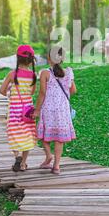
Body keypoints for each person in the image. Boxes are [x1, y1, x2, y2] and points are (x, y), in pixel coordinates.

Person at [34, 46, 77, 175]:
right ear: (62, 58)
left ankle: (48, 155)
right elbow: (74, 90)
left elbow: (42, 93)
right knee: (59, 139)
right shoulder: (69, 72)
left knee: (43, 134)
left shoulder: (45, 73)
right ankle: (56, 166)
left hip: (48, 109)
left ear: (49, 58)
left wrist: (36, 110)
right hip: (62, 110)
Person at [0, 45, 37, 172]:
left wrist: (10, 94)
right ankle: (23, 164)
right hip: (28, 109)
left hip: (15, 108)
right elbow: (31, 92)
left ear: (17, 58)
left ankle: (17, 156)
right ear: (31, 60)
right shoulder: (33, 75)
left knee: (14, 133)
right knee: (27, 134)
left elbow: (2, 90)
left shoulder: (12, 74)